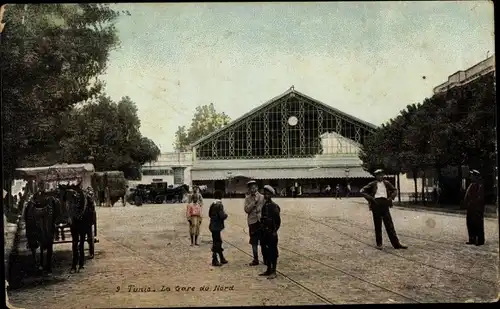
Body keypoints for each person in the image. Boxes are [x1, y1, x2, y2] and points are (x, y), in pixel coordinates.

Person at [360, 169, 407, 250]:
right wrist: (371, 199)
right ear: (375, 176)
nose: (380, 176)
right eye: (378, 175)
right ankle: (379, 244)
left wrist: (391, 198)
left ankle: (396, 244)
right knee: (378, 225)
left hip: (385, 203)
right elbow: (362, 191)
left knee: (389, 224)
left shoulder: (387, 183)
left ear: (383, 175)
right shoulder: (372, 184)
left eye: (381, 175)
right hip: (376, 203)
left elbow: (395, 190)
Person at [259, 185, 281, 279]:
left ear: (271, 195)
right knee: (265, 252)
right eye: (265, 193)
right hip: (264, 233)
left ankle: (274, 271)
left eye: (268, 194)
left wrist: (274, 231)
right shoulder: (265, 205)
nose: (266, 195)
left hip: (271, 233)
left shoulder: (274, 206)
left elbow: (277, 221)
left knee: (273, 252)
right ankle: (268, 269)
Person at [244, 180, 265, 266]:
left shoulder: (262, 197)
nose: (252, 189)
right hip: (252, 221)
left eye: (254, 187)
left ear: (257, 187)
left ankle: (265, 258)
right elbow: (246, 210)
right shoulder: (247, 198)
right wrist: (254, 203)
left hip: (261, 221)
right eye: (250, 188)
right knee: (254, 241)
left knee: (263, 241)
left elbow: (265, 208)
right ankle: (255, 259)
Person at [464, 169, 485, 246]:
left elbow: (479, 197)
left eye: (472, 175)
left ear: (476, 176)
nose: (471, 176)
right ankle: (472, 239)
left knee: (478, 224)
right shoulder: (472, 184)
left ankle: (480, 240)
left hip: (476, 208)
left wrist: (474, 205)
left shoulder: (479, 185)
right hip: (470, 208)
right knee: (470, 223)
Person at [209, 190, 228, 266]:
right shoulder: (220, 205)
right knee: (217, 242)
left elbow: (209, 214)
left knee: (217, 241)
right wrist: (226, 215)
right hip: (217, 226)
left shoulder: (212, 204)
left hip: (212, 226)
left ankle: (221, 258)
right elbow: (222, 216)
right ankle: (215, 260)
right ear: (221, 197)